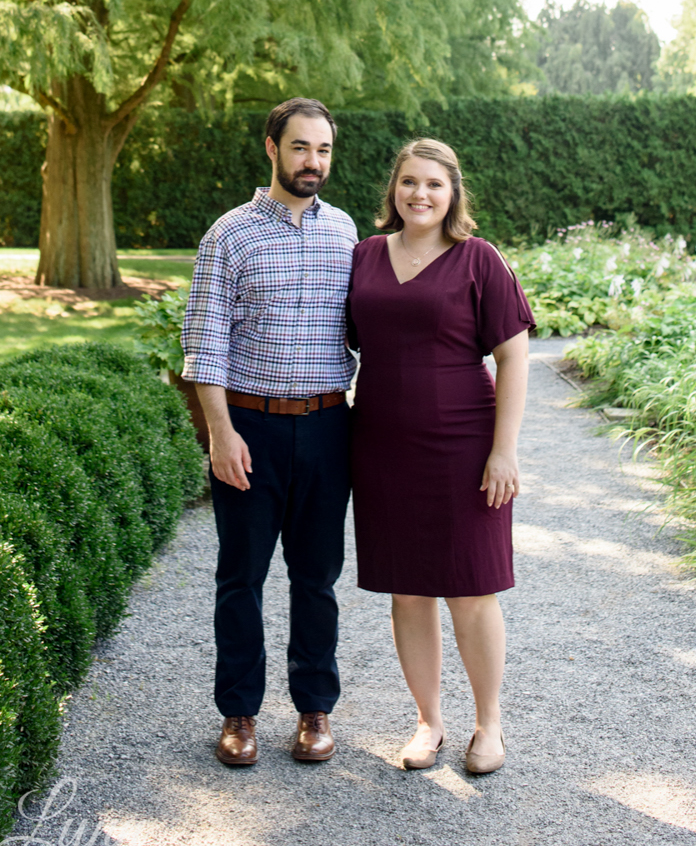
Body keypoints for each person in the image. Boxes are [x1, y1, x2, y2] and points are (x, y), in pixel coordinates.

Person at [182, 97, 358, 768]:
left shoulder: (346, 233)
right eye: (301, 147)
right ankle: (239, 713)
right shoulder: (228, 235)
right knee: (241, 577)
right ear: (271, 148)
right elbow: (203, 347)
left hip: (326, 426)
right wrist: (221, 435)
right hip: (248, 427)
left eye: (323, 150)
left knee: (317, 578)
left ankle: (315, 710)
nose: (313, 161)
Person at [348, 137, 533, 776]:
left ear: (453, 192)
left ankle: (489, 725)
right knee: (407, 592)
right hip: (380, 446)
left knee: (473, 589)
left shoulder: (478, 259)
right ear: (392, 191)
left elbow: (513, 357)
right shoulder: (365, 257)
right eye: (408, 183)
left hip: (464, 445)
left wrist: (503, 452)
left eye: (433, 184)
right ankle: (429, 721)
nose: (419, 194)